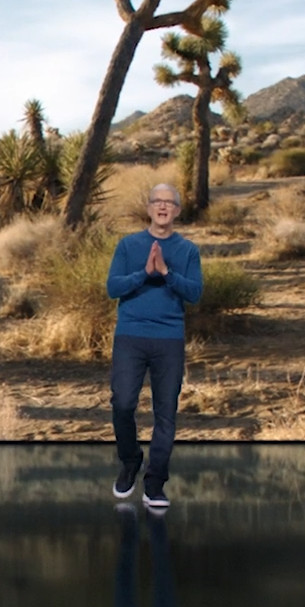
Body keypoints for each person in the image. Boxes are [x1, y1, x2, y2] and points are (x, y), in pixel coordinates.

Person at [106, 182, 201, 510]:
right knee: (122, 404)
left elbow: (194, 293)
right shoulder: (128, 245)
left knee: (166, 414)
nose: (163, 207)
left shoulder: (188, 250)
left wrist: (167, 273)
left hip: (169, 339)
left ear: (176, 210)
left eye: (170, 202)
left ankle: (155, 482)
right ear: (148, 208)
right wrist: (144, 274)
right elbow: (112, 287)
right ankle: (130, 460)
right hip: (130, 336)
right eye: (157, 201)